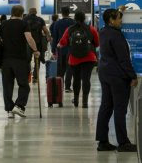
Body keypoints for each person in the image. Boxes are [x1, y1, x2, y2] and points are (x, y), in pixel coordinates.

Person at [96, 9, 138, 152]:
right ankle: (123, 143)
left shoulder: (103, 32)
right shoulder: (116, 35)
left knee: (106, 107)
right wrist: (132, 76)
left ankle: (102, 141)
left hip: (105, 73)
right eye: (119, 18)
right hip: (118, 77)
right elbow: (123, 59)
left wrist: (119, 10)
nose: (121, 21)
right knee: (120, 109)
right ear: (111, 20)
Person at [0, 5, 40, 118]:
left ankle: (10, 110)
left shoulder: (4, 24)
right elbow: (29, 39)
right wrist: (35, 50)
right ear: (22, 14)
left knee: (7, 86)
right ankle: (19, 106)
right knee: (24, 85)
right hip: (20, 60)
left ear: (11, 13)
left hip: (5, 60)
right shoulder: (23, 24)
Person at [58, 11, 99, 108]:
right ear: (84, 18)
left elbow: (62, 42)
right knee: (86, 79)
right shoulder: (91, 29)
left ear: (75, 18)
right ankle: (85, 102)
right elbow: (97, 43)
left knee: (76, 79)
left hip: (74, 58)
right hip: (89, 57)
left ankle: (76, 100)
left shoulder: (70, 29)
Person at [23, 8, 52, 83]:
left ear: (29, 12)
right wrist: (48, 37)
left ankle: (27, 76)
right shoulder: (40, 20)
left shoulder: (25, 19)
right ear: (36, 12)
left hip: (27, 42)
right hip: (38, 42)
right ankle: (35, 78)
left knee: (27, 60)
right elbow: (45, 30)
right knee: (37, 60)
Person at [52, 7, 75, 92]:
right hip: (71, 48)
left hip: (60, 48)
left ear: (61, 13)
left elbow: (55, 37)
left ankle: (59, 85)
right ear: (69, 13)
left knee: (60, 67)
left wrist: (53, 49)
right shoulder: (73, 22)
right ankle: (67, 87)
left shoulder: (57, 23)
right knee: (69, 67)